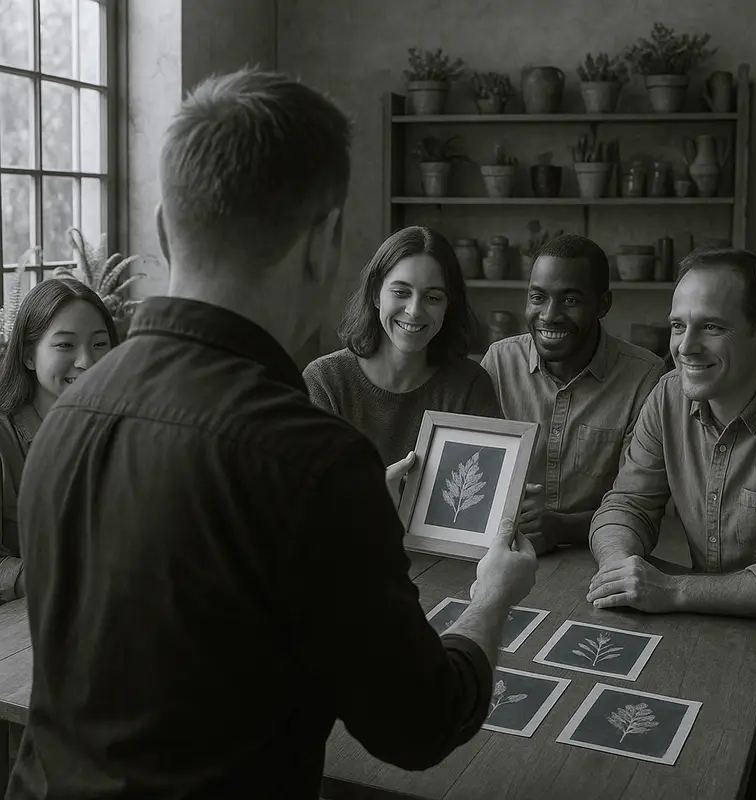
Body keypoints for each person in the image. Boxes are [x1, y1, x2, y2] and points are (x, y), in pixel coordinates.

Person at [7, 69, 538, 800]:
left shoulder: (62, 413)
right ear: (324, 243)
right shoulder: (311, 461)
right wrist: (492, 599)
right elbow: (418, 724)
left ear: (164, 228)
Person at [586, 247, 756, 799]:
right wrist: (621, 567)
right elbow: (625, 504)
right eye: (678, 326)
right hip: (713, 633)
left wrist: (671, 590)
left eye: (712, 328)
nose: (684, 347)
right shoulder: (667, 396)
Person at [480, 235, 666, 554]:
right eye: (538, 297)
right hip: (501, 552)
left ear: (603, 304)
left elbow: (639, 508)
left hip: (595, 557)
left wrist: (560, 527)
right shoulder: (499, 362)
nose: (549, 315)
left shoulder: (644, 377)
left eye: (570, 300)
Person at [303, 225, 502, 472]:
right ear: (376, 294)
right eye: (401, 292)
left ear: (448, 305)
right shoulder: (325, 382)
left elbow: (485, 488)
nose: (414, 310)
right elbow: (303, 500)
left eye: (432, 298)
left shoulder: (470, 385)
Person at [0, 277, 118, 603]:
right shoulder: (3, 439)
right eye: (65, 345)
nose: (87, 362)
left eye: (99, 344)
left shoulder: (125, 429)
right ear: (27, 356)